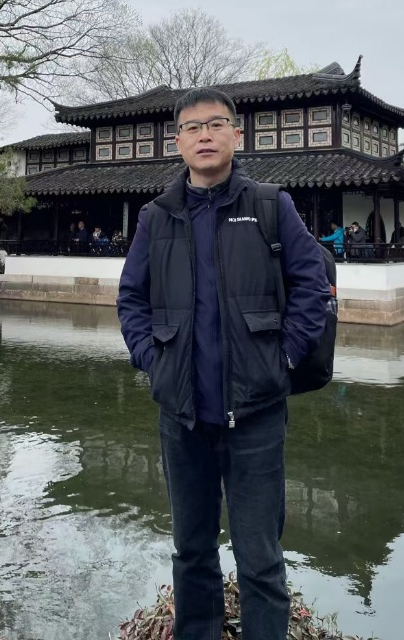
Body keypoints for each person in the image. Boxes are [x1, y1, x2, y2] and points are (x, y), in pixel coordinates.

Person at [118, 87, 329, 640]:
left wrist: (284, 356)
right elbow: (131, 298)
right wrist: (152, 361)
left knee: (260, 557)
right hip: (182, 414)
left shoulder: (270, 205)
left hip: (256, 412)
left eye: (215, 125)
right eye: (192, 128)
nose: (204, 136)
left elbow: (312, 286)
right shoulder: (156, 217)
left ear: (237, 134)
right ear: (178, 142)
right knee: (191, 550)